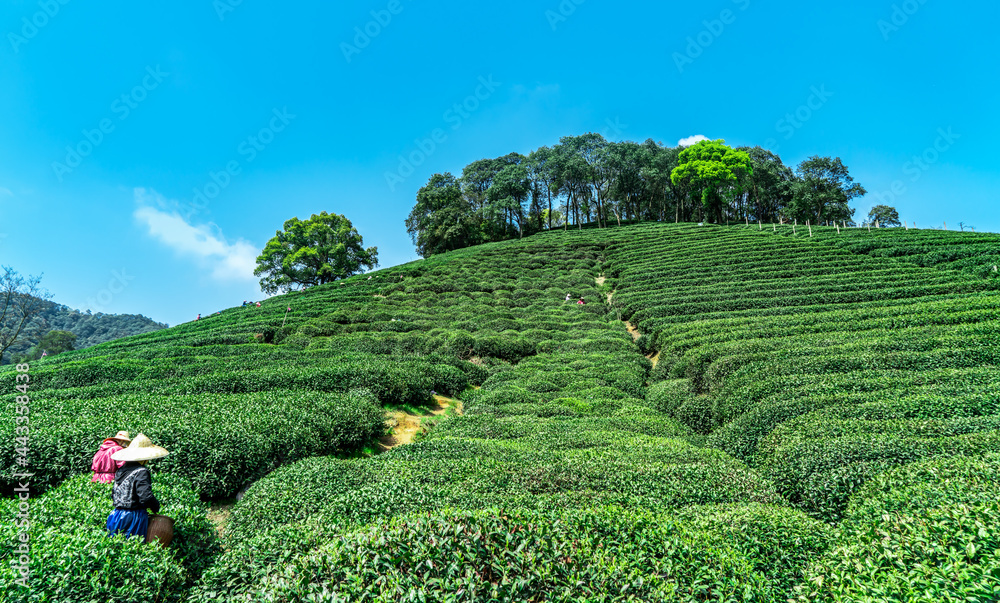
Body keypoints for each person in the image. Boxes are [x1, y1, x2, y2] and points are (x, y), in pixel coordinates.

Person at [106, 434, 169, 540]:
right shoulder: (141, 471)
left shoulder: (120, 470)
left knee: (116, 547)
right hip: (133, 517)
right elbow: (145, 496)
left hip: (116, 515)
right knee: (132, 548)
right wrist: (155, 506)